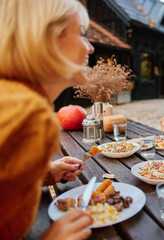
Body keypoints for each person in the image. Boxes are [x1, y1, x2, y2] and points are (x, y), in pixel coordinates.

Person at [0, 0, 95, 239]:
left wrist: (40, 176)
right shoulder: (27, 114)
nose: (90, 47)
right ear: (48, 40)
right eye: (82, 34)